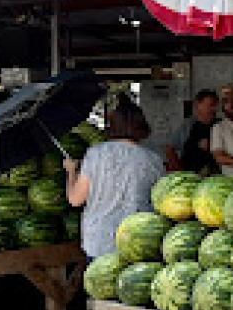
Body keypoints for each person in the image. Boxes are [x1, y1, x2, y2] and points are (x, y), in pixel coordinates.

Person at [63, 94, 163, 261]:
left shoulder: (96, 154)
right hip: (140, 242)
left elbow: (75, 199)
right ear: (141, 126)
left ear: (113, 125)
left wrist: (71, 172)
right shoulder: (153, 160)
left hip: (100, 242)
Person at [166, 89, 220, 174]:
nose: (214, 109)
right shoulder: (187, 125)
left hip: (214, 177)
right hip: (190, 176)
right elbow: (170, 149)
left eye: (216, 105)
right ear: (198, 105)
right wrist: (179, 171)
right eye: (211, 105)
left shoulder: (220, 125)